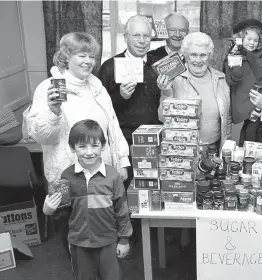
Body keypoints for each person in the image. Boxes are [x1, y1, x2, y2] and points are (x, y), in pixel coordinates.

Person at [26, 32, 130, 257]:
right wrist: (53, 111)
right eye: (82, 55)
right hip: (65, 177)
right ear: (66, 56)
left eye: (92, 56)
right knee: (72, 234)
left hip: (100, 176)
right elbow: (40, 136)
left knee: (102, 229)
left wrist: (121, 160)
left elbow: (112, 127)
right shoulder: (48, 88)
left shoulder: (97, 87)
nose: (89, 62)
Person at [43, 119, 132, 280]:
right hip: (79, 243)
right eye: (82, 146)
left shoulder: (113, 176)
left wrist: (124, 239)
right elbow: (62, 212)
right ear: (72, 148)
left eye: (94, 145)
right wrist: (48, 209)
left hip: (108, 242)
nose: (89, 152)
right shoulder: (67, 176)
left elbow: (122, 210)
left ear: (103, 146)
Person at [98, 15, 162, 190]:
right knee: (125, 192)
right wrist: (121, 97)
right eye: (136, 36)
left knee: (152, 190)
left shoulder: (158, 65)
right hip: (123, 142)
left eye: (146, 36)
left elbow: (168, 104)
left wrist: (167, 89)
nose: (142, 41)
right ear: (125, 37)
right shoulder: (109, 66)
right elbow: (99, 108)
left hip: (154, 139)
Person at [157, 32, 232, 150]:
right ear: (185, 56)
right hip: (183, 149)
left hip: (215, 148)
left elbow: (227, 119)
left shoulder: (221, 78)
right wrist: (166, 92)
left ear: (210, 55)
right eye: (193, 54)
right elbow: (163, 118)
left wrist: (226, 148)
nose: (198, 60)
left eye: (203, 55)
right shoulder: (174, 79)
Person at [222, 19, 262, 145]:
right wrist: (238, 61)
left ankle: (247, 154)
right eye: (249, 39)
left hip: (257, 100)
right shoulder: (235, 55)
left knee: (254, 132)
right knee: (250, 133)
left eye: (256, 40)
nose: (252, 43)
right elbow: (232, 79)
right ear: (240, 39)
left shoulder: (259, 54)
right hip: (246, 101)